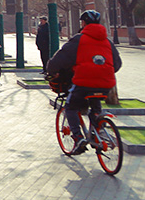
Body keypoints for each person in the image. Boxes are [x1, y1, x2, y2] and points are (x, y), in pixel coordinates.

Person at [46, 10, 122, 155]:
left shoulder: (78, 40)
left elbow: (60, 58)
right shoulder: (107, 41)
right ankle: (98, 129)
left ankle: (78, 138)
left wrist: (51, 69)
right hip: (106, 84)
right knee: (95, 104)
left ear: (84, 23)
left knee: (70, 107)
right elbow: (117, 64)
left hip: (83, 83)